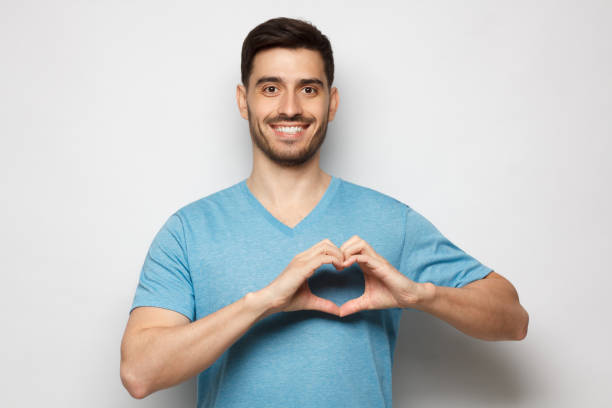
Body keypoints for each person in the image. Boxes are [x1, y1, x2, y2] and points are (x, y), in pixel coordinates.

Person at [120, 17, 529, 407]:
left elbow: (513, 319)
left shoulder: (391, 220)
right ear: (244, 101)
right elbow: (139, 373)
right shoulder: (189, 231)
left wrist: (419, 295)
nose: (291, 108)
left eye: (309, 89)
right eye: (270, 88)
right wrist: (262, 303)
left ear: (332, 103)